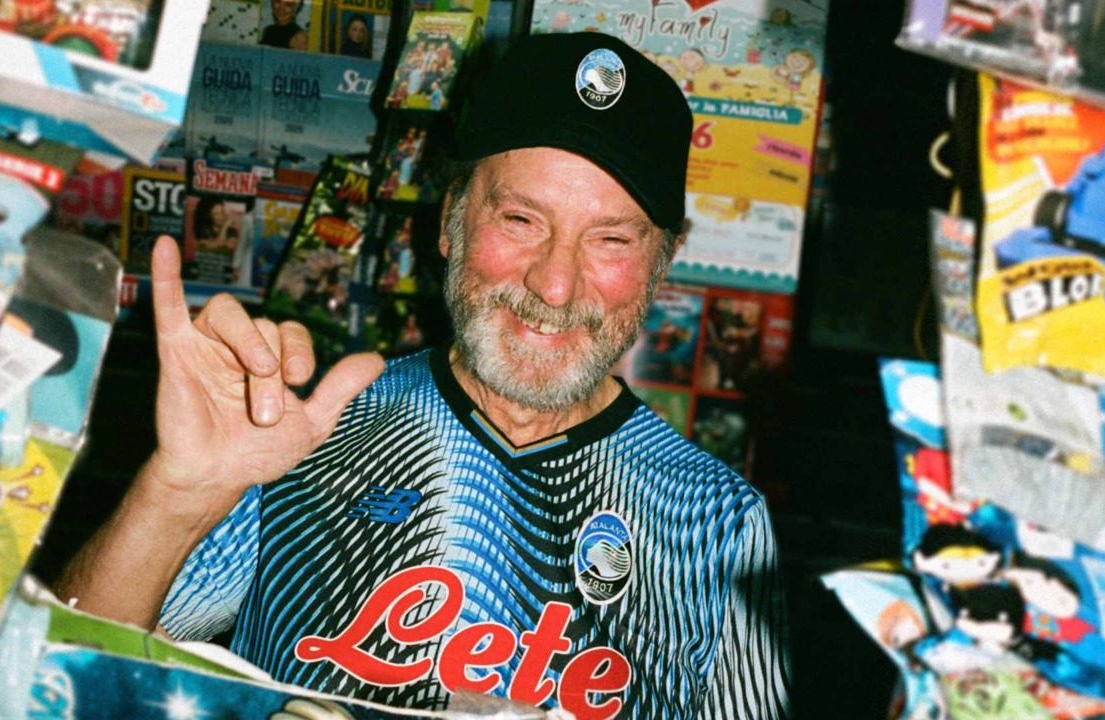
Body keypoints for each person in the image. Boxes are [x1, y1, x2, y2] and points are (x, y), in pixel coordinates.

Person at [56, 32, 790, 718]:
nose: (556, 284)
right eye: (521, 220)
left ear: (662, 262)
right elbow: (60, 680)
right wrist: (178, 494)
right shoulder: (297, 434)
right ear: (451, 222)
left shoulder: (720, 522)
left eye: (611, 240)